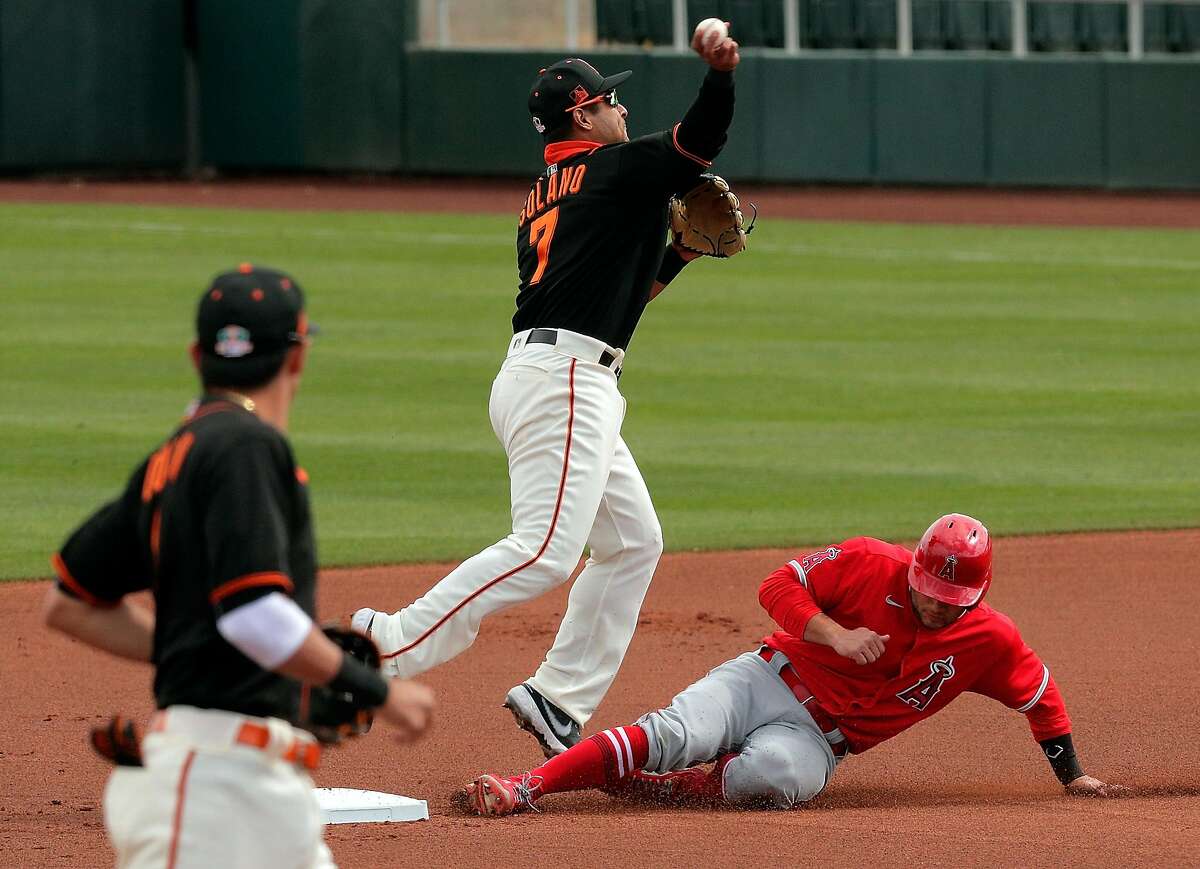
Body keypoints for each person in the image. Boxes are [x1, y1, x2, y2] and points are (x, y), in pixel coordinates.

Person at [353, 26, 743, 757]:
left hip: (554, 374)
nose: (623, 108)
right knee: (543, 551)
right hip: (563, 383)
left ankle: (557, 698)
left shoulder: (548, 191)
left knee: (633, 541)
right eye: (611, 99)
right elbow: (701, 140)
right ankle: (387, 643)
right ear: (582, 115)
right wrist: (720, 73)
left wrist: (682, 252)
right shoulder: (618, 168)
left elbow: (620, 296)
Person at [43, 265, 434, 868]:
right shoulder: (249, 445)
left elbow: (69, 602)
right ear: (297, 357)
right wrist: (375, 691)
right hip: (211, 795)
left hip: (250, 793)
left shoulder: (170, 460)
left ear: (198, 356)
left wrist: (194, 653)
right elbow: (252, 614)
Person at [460, 514, 1126, 815]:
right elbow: (777, 584)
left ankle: (665, 789)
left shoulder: (990, 639)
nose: (930, 603)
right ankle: (527, 785)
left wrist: (1073, 776)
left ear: (976, 596)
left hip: (816, 739)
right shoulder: (869, 560)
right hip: (765, 678)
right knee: (670, 734)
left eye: (947, 600)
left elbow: (1041, 696)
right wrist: (833, 633)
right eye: (926, 588)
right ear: (916, 566)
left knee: (774, 779)